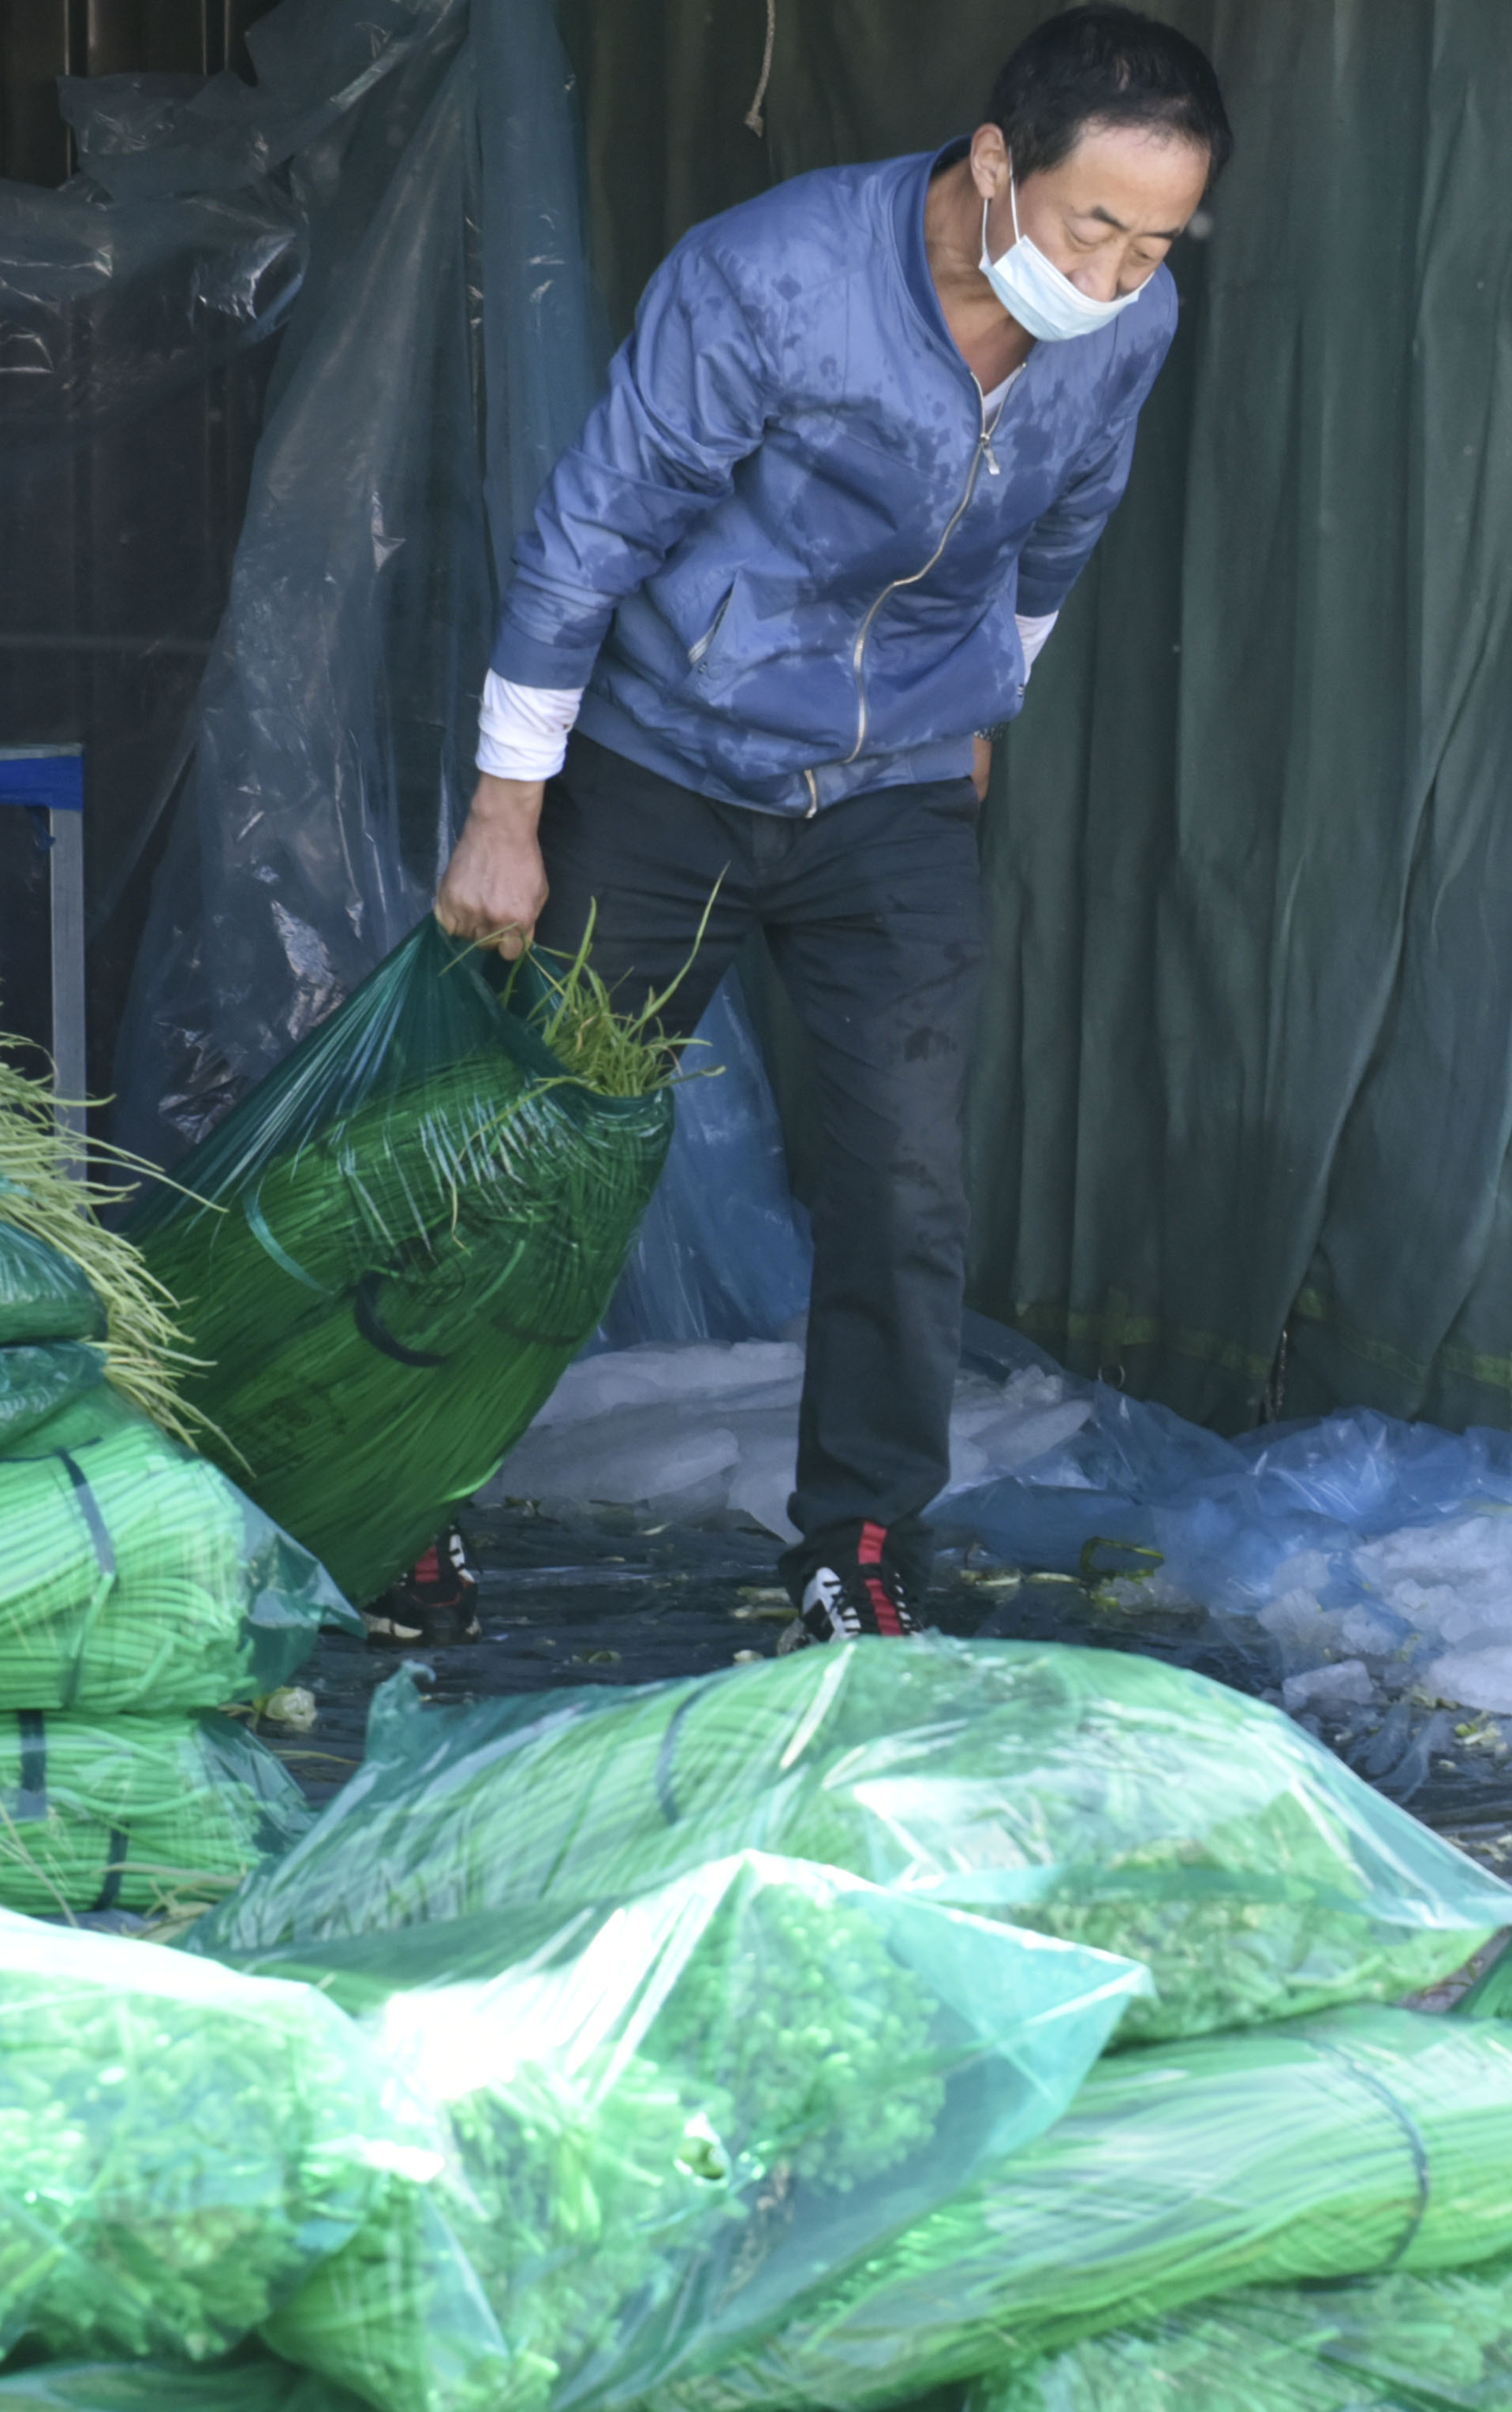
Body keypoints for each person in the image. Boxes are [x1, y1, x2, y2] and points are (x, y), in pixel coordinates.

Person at [420, 7, 1230, 1651]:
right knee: (539, 1148)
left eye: (1157, 244)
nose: (1119, 276)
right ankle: (405, 1489)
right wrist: (509, 809)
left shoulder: (1128, 328)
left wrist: (987, 703)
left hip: (892, 794)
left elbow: (1066, 526)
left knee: (904, 1182)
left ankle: (856, 1536)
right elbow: (591, 533)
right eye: (1094, 227)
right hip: (666, 765)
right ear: (996, 164)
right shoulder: (771, 280)